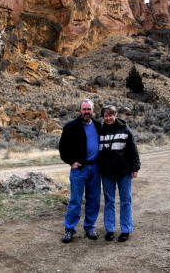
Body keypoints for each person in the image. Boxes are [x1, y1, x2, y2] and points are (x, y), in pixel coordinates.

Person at [59, 99, 102, 243]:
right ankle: (69, 230)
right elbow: (63, 148)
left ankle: (89, 227)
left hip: (95, 168)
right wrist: (71, 162)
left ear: (93, 110)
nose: (86, 112)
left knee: (93, 200)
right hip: (79, 170)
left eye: (89, 109)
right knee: (75, 200)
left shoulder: (97, 125)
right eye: (84, 109)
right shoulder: (71, 126)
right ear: (79, 111)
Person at [98, 105, 140, 242]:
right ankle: (110, 230)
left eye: (110, 115)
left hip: (124, 172)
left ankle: (126, 229)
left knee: (125, 201)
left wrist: (135, 167)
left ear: (115, 115)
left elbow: (133, 149)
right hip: (107, 173)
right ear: (103, 117)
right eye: (105, 116)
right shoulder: (101, 131)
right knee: (109, 201)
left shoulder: (125, 129)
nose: (108, 118)